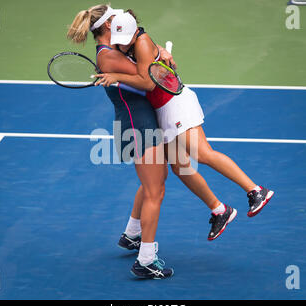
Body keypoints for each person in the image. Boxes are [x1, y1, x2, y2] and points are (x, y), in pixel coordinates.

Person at [94, 12, 274, 241]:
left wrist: (115, 76)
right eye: (121, 38)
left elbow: (148, 83)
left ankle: (256, 191)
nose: (125, 42)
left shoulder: (141, 41)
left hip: (175, 104)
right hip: (161, 111)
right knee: (180, 167)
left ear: (135, 31)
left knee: (203, 153)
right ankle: (220, 211)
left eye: (128, 36)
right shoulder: (123, 43)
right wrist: (160, 52)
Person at [67, 4, 174, 279]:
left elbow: (146, 69)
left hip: (141, 122)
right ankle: (146, 261)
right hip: (137, 127)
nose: (120, 19)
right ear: (106, 26)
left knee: (156, 179)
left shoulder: (115, 51)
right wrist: (160, 55)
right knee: (155, 192)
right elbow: (151, 79)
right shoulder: (109, 57)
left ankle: (132, 235)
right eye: (114, 17)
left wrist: (155, 53)